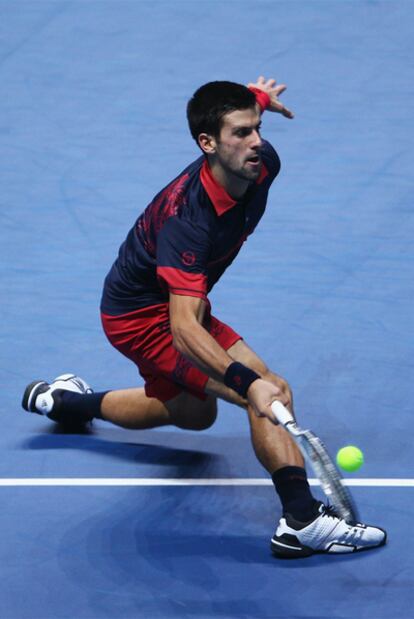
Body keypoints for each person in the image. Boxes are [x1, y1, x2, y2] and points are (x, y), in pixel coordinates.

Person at [22, 76, 386, 558]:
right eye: (241, 134)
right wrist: (245, 381)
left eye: (256, 129)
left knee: (192, 414)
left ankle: (67, 403)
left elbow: (237, 119)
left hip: (169, 306)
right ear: (207, 144)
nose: (257, 142)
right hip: (144, 319)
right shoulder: (186, 221)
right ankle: (301, 520)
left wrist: (255, 100)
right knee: (270, 389)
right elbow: (184, 328)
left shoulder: (262, 164)